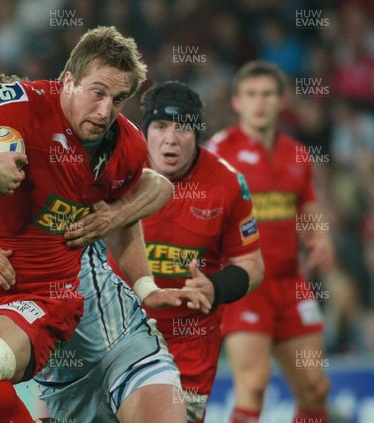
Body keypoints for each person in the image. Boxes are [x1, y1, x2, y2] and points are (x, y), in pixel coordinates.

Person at [0, 27, 207, 423]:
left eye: (118, 99)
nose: (107, 110)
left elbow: (153, 186)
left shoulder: (118, 149)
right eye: (98, 93)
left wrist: (137, 268)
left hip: (80, 317)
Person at [114, 81, 263, 423]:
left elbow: (252, 265)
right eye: (161, 126)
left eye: (182, 128)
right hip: (118, 333)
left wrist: (216, 287)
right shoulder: (117, 171)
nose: (170, 138)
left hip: (188, 344)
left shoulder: (227, 184)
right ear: (146, 131)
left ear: (197, 135)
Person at [207, 61, 335, 423]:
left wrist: (320, 239)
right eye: (251, 95)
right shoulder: (219, 153)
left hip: (291, 284)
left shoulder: (297, 154)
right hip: (246, 283)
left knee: (315, 388)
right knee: (255, 384)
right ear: (236, 102)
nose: (259, 103)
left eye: (267, 94)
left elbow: (306, 204)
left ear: (281, 101)